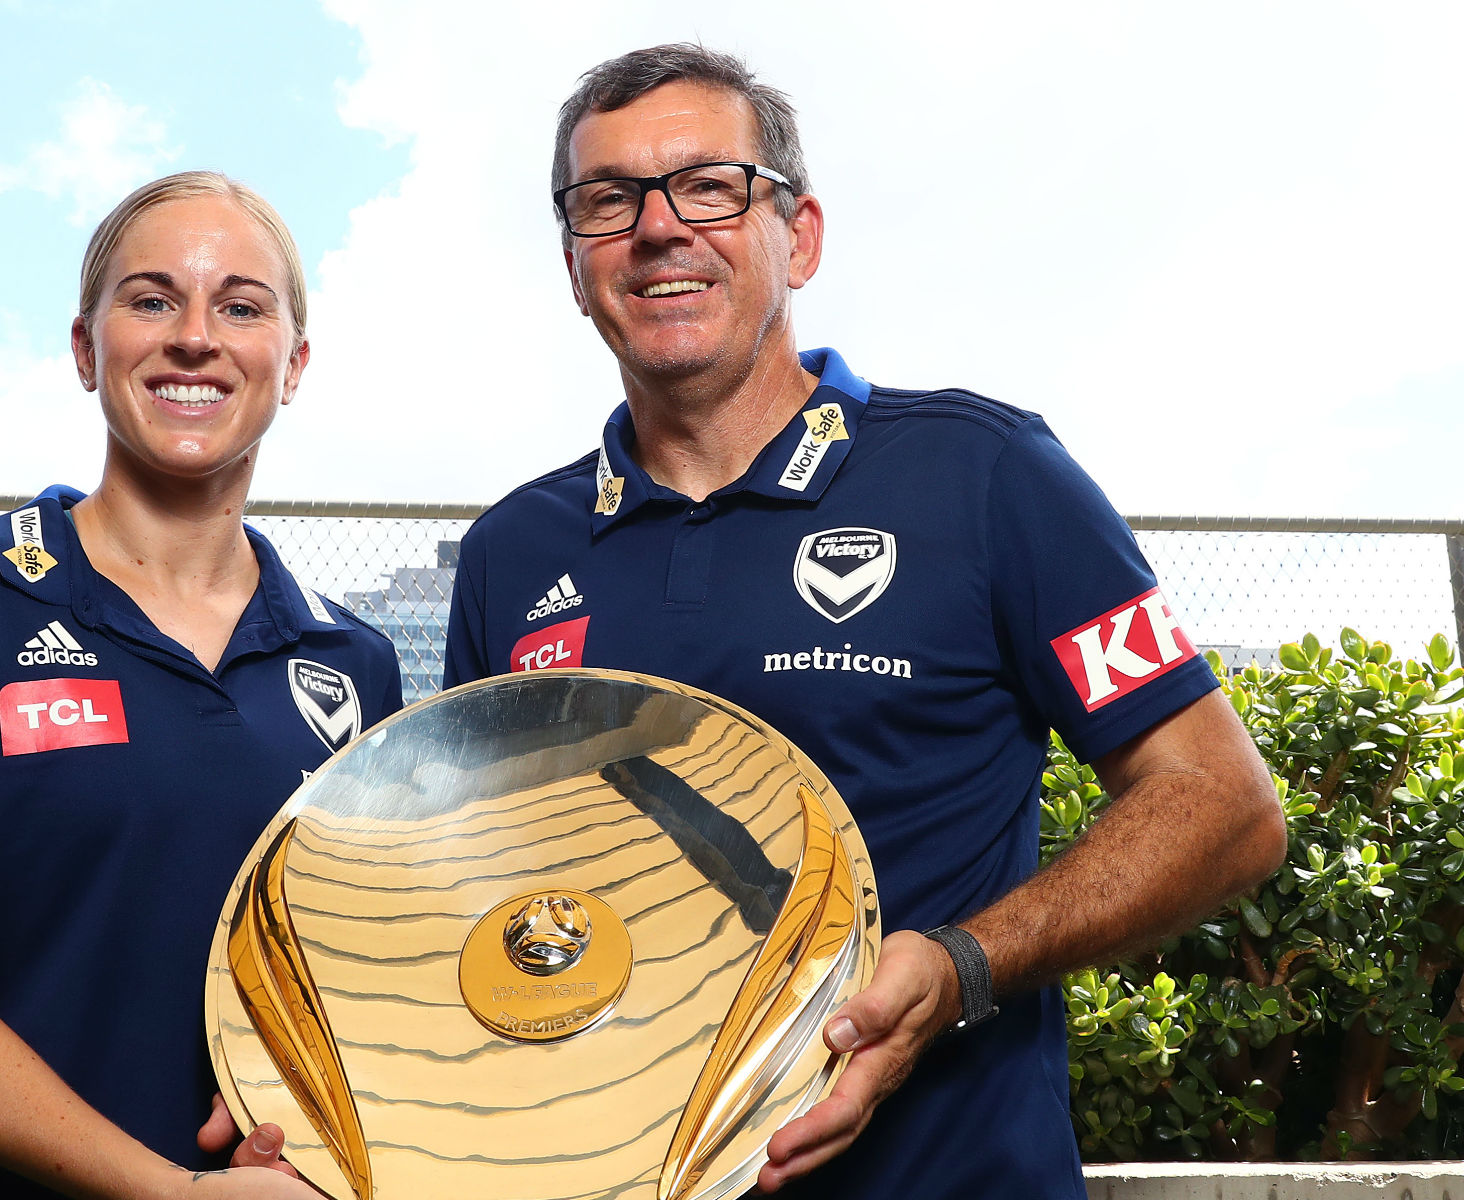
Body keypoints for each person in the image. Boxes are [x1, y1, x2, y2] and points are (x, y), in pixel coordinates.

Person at [436, 45, 1286, 1198]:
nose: (657, 227)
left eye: (708, 185)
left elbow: (1223, 804)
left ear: (800, 235)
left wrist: (961, 965)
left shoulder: (987, 475)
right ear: (575, 262)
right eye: (607, 200)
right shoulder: (508, 556)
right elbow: (484, 906)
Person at [0, 170, 403, 1200]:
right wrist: (167, 1195)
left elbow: (355, 994)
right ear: (87, 348)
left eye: (241, 307)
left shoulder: (355, 666)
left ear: (291, 364)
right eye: (151, 298)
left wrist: (302, 1110)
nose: (194, 337)